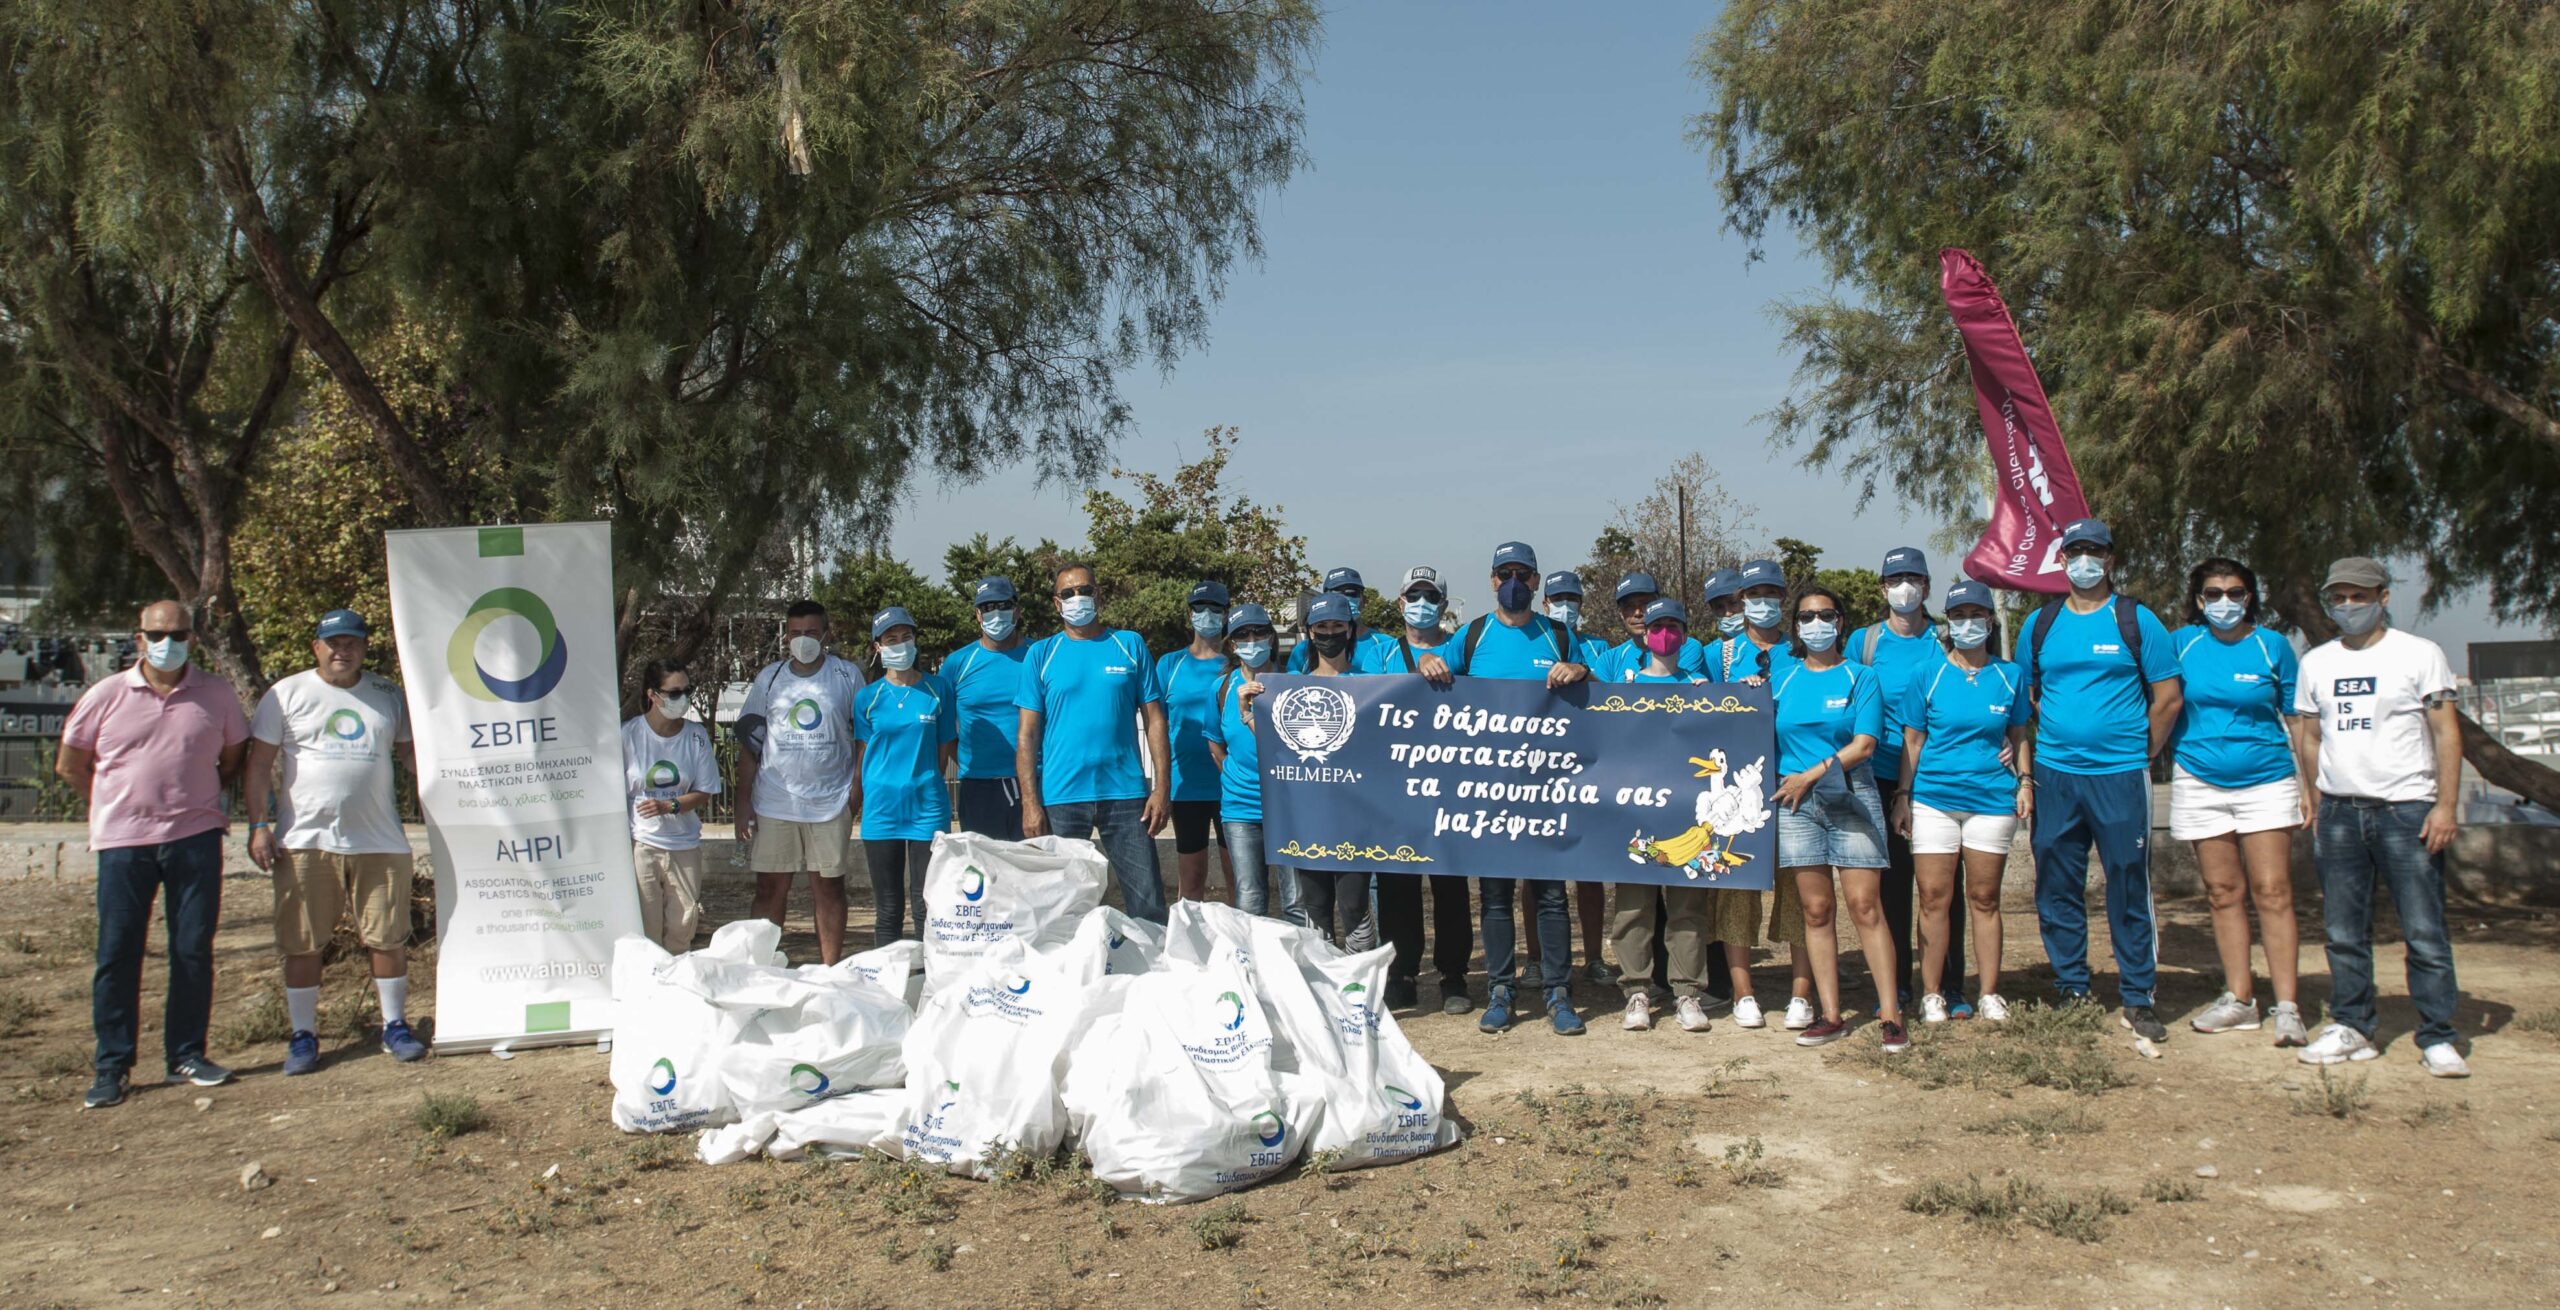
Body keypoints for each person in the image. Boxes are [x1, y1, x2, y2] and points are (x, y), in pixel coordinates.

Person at [55, 600, 248, 1108]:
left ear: (193, 639)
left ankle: (186, 1054)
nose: (168, 643)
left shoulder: (217, 693)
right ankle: (112, 1066)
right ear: (139, 638)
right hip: (124, 844)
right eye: (157, 635)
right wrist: (112, 805)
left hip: (195, 838)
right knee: (117, 952)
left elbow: (232, 757)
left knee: (192, 948)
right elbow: (71, 764)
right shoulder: (106, 695)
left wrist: (201, 796)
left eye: (178, 634)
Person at [2291, 557, 2468, 1077]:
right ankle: (2353, 1026)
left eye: (2359, 596)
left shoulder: (2420, 654)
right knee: (2343, 930)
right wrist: (2313, 794)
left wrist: (2445, 806)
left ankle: (2438, 1035)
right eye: (2339, 598)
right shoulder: (2316, 662)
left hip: (2406, 810)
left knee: (2424, 930)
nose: (2348, 606)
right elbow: (2310, 736)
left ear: (2382, 598)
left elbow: (2446, 733)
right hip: (2339, 812)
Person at [2015, 518, 2183, 1041]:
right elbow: (2029, 695)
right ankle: (2072, 988)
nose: (2084, 560)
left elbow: (2168, 697)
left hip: (2121, 777)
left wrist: (2140, 751)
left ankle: (2138, 995)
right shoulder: (2039, 624)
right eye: (2075, 551)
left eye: (2095, 551)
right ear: (2062, 559)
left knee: (2128, 883)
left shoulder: (2136, 620)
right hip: (2055, 776)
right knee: (2056, 884)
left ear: (2110, 560)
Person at [241, 608, 420, 1077]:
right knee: (303, 943)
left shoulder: (388, 694)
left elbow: (410, 755)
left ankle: (395, 1025)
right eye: (334, 643)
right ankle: (303, 1034)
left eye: (352, 642)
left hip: (379, 839)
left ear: (365, 647)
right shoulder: (286, 694)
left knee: (387, 938)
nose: (343, 651)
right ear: (316, 648)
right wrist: (258, 825)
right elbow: (258, 765)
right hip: (305, 839)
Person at [1421, 542, 1591, 1036]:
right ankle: (1500, 989)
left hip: (1546, 792)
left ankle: (1558, 991)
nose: (1514, 581)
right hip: (1489, 794)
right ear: (1492, 580)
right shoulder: (1473, 635)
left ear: (1535, 581)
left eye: (1523, 573)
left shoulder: (1558, 635)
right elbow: (1431, 668)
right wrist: (1428, 660)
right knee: (1495, 897)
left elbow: (1595, 693)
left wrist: (1579, 670)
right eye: (1504, 573)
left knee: (1552, 896)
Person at [2170, 559, 2313, 1046]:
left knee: (2273, 891)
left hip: (2267, 781)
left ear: (2250, 597)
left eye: (2234, 592)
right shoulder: (2181, 644)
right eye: (2213, 593)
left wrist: (2309, 786)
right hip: (2199, 782)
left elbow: (2297, 719)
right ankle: (2240, 999)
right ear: (2198, 600)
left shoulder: (2273, 646)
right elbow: (2155, 700)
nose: (2224, 602)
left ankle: (2288, 1006)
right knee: (2222, 892)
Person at [1770, 583, 1906, 1052]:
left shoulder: (1861, 677)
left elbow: (1864, 746)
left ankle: (1891, 1015)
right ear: (1795, 626)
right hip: (1795, 805)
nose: (1816, 624)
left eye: (1825, 615)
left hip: (1849, 794)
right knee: (1816, 910)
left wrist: (1811, 775)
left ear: (1840, 622)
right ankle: (1830, 1015)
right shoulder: (1781, 680)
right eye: (1806, 617)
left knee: (1866, 907)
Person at [1888, 581, 2031, 1023]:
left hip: (1991, 800)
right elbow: (1913, 741)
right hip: (1934, 800)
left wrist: (2025, 781)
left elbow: (2019, 735)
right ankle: (1931, 994)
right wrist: (1903, 796)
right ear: (1948, 622)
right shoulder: (1927, 674)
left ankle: (1988, 993)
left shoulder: (2010, 675)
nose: (1968, 623)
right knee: (1933, 898)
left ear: (1990, 620)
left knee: (1984, 898)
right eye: (1959, 616)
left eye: (1976, 615)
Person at [1611, 600, 1743, 1034]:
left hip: (1688, 817)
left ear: (1684, 635)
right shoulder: (1624, 687)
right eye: (1656, 626)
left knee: (1688, 907)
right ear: (1644, 633)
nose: (1664, 633)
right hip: (1635, 812)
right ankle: (1637, 992)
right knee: (1634, 907)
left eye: (1672, 625)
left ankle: (1687, 991)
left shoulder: (1701, 687)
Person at [1017, 562, 1174, 924]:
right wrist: (1030, 803)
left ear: (1098, 594)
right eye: (1068, 593)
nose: (1078, 598)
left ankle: (1152, 961)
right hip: (1062, 798)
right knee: (1061, 909)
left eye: (1085, 590)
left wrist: (1162, 788)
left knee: (1148, 905)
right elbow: (1027, 735)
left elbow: (1155, 720)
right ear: (1056, 603)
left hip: (1126, 796)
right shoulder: (1041, 654)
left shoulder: (1129, 644)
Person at [1848, 547, 1965, 1017]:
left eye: (1914, 578)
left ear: (1927, 586)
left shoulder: (1945, 638)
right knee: (1891, 889)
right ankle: (1896, 986)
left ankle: (1950, 986)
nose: (1905, 587)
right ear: (1882, 588)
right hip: (1879, 778)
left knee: (1943, 891)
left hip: (1936, 779)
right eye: (1895, 579)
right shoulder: (1865, 641)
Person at [1366, 566, 1476, 1013]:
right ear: (1400, 602)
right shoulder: (1381, 654)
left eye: (1431, 597)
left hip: (1450, 788)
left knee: (1451, 887)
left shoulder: (1460, 650)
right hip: (1395, 790)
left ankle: (1454, 975)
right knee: (1397, 889)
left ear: (1444, 606)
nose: (1422, 604)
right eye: (1414, 596)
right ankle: (1402, 973)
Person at [737, 600, 867, 964]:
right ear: (785, 636)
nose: (803, 640)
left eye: (811, 632)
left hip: (831, 802)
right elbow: (749, 743)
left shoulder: (847, 675)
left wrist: (856, 789)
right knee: (769, 888)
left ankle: (829, 970)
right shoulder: (770, 678)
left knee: (829, 888)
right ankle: (760, 966)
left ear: (827, 634)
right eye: (795, 633)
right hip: (774, 801)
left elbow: (864, 736)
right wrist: (742, 803)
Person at [1256, 593, 1374, 946]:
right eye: (1322, 627)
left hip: (1356, 818)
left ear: (1350, 630)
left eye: (1337, 626)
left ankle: (1359, 974)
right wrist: (1249, 713)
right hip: (1308, 818)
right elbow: (1276, 746)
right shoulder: (1290, 686)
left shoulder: (1373, 685)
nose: (1330, 633)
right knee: (1316, 905)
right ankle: (1321, 973)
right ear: (1309, 632)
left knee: (1354, 904)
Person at [852, 608, 957, 945]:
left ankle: (928, 973)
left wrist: (921, 780)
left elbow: (943, 750)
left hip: (927, 807)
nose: (900, 644)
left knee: (927, 905)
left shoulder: (938, 689)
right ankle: (890, 974)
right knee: (888, 909)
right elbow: (864, 753)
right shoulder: (867, 698)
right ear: (878, 647)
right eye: (891, 639)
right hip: (881, 810)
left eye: (906, 637)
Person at [1541, 569, 1616, 986]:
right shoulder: (1538, 639)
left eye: (1572, 598)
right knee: (1539, 875)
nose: (1565, 606)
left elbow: (1614, 692)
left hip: (1589, 770)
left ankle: (1594, 957)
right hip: (1539, 773)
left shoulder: (1598, 648)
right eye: (1557, 599)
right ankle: (1537, 959)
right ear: (1545, 603)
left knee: (1590, 872)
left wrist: (1584, 671)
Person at [621, 657, 720, 957]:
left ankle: (678, 980)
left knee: (682, 929)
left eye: (687, 691)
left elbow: (705, 790)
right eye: (674, 692)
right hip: (642, 845)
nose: (683, 699)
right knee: (647, 932)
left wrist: (670, 805)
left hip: (684, 845)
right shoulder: (627, 735)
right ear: (652, 694)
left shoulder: (696, 736)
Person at [1205, 604, 1294, 920]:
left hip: (1290, 808)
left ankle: (1303, 953)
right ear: (1232, 644)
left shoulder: (1294, 682)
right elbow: (1215, 744)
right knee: (1250, 899)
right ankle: (1252, 954)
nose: (1252, 641)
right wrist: (1237, 779)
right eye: (1243, 635)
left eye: (1259, 633)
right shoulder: (1221, 687)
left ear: (1271, 638)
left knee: (1296, 900)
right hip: (1240, 809)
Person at [1156, 581, 1237, 903]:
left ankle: (1242, 935)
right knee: (1191, 879)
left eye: (1215, 608)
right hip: (1186, 787)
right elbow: (1156, 725)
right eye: (1199, 608)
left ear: (1226, 614)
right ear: (1189, 613)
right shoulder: (1169, 664)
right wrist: (1160, 786)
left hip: (1232, 786)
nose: (1207, 614)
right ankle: (1187, 934)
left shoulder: (1237, 663)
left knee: (1239, 878)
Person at [942, 577, 1030, 840]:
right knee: (983, 865)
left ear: (1017, 610)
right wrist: (971, 763)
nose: (996, 613)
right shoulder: (957, 663)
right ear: (978, 615)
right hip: (978, 787)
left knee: (1033, 864)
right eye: (988, 607)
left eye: (1004, 605)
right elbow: (945, 731)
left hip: (1034, 783)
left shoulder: (1039, 654)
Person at [1287, 567, 1399, 672]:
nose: (1344, 599)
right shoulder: (1303, 651)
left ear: (1363, 600)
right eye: (1336, 594)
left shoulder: (1386, 645)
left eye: (1351, 593)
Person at [1707, 559, 1797, 684]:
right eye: (1753, 593)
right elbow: (1714, 695)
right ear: (1742, 599)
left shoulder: (1800, 649)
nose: (1762, 601)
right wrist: (1741, 691)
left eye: (1771, 592)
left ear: (1782, 598)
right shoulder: (1721, 654)